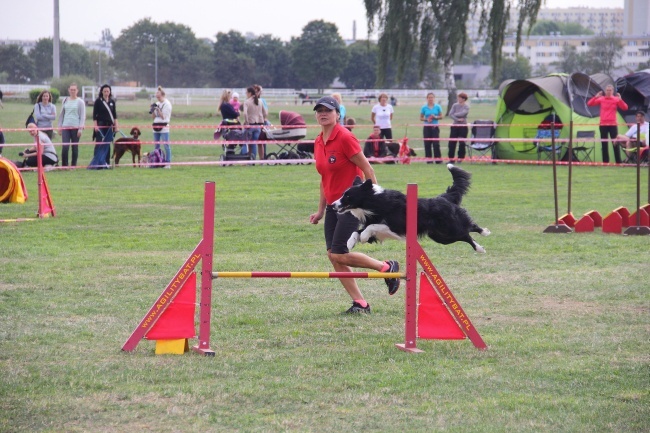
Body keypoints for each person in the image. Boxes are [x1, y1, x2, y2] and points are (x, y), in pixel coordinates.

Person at [308, 96, 400, 314]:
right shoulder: (318, 141)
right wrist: (321, 210)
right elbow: (324, 177)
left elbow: (369, 170)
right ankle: (360, 303)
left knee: (339, 253)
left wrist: (376, 204)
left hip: (353, 205)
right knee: (334, 256)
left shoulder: (345, 138)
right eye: (319, 110)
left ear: (337, 114)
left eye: (328, 110)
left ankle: (387, 268)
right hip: (333, 205)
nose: (323, 113)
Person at [587, 85, 628, 164]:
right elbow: (589, 104)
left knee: (615, 143)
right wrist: (596, 97)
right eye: (607, 90)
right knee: (604, 144)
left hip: (613, 124)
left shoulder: (616, 99)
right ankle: (605, 162)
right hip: (603, 124)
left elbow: (625, 108)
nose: (608, 92)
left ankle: (618, 162)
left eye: (610, 90)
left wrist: (620, 99)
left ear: (612, 91)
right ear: (605, 91)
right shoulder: (601, 99)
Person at [88, 84, 117, 169]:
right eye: (105, 91)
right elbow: (94, 115)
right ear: (102, 92)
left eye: (108, 91)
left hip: (109, 126)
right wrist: (95, 126)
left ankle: (106, 163)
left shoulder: (112, 102)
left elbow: (115, 115)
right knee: (99, 144)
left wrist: (116, 126)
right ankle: (97, 163)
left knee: (107, 144)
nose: (106, 93)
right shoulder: (98, 101)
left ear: (110, 92)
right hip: (100, 125)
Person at [57, 83, 85, 167]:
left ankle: (73, 165)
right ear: (69, 90)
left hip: (75, 127)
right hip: (65, 126)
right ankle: (64, 165)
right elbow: (62, 114)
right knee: (65, 147)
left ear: (77, 91)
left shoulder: (80, 102)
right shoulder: (65, 100)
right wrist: (59, 127)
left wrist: (80, 129)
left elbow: (83, 116)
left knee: (74, 147)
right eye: (71, 89)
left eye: (74, 90)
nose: (73, 91)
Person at [243, 85, 268, 159]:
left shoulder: (247, 102)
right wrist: (262, 119)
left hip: (250, 125)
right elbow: (265, 113)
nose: (246, 94)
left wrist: (246, 122)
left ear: (250, 93)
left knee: (245, 142)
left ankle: (248, 159)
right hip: (258, 126)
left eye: (246, 93)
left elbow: (244, 113)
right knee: (254, 143)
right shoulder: (260, 101)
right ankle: (253, 160)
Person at [151, 86, 173, 168]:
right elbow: (153, 117)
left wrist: (158, 110)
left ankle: (168, 163)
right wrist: (153, 110)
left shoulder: (167, 104)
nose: (156, 94)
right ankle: (157, 161)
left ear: (162, 94)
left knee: (166, 145)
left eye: (158, 93)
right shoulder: (157, 103)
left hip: (164, 127)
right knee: (156, 145)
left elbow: (164, 117)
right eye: (156, 93)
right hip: (155, 126)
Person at [420, 92, 443, 164]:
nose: (430, 99)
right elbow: (421, 118)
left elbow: (441, 116)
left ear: (434, 98)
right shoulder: (424, 107)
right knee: (427, 143)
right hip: (427, 127)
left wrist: (435, 117)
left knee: (436, 143)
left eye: (432, 97)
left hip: (435, 127)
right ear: (427, 99)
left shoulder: (438, 107)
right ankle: (429, 160)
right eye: (429, 97)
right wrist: (427, 119)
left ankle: (438, 159)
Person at [447, 92, 470, 163]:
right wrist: (457, 119)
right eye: (458, 97)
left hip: (463, 126)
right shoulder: (454, 105)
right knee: (452, 143)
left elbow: (463, 113)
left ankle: (460, 158)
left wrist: (455, 114)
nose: (458, 99)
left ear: (464, 99)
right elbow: (450, 114)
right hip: (455, 126)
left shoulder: (466, 106)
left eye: (460, 98)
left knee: (462, 143)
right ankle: (451, 158)